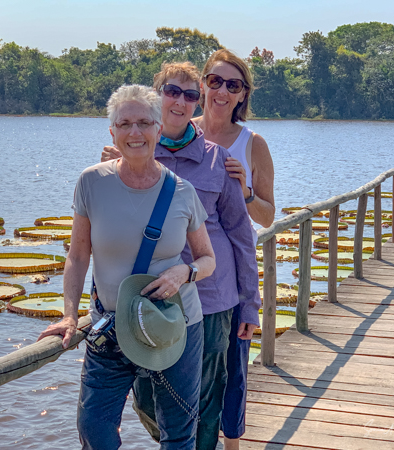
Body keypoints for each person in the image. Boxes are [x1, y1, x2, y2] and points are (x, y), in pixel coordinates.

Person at [38, 84, 216, 450]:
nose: (135, 132)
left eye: (144, 123)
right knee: (94, 429)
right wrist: (69, 316)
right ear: (112, 132)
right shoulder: (91, 182)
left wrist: (184, 272)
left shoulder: (182, 191)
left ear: (158, 129)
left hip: (173, 326)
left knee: (179, 434)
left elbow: (207, 259)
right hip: (111, 327)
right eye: (125, 124)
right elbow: (77, 256)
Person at [101, 62, 260, 449]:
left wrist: (250, 304)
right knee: (147, 399)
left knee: (205, 403)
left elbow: (242, 236)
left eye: (190, 95)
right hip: (149, 298)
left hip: (211, 301)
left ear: (198, 101)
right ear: (157, 97)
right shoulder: (128, 153)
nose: (180, 101)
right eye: (172, 91)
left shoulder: (218, 160)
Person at [194, 49, 275, 450]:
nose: (222, 92)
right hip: (183, 275)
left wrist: (244, 192)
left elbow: (268, 215)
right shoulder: (178, 131)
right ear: (202, 85)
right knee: (179, 377)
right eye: (215, 81)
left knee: (232, 374)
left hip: (233, 277)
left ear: (243, 94)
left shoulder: (252, 143)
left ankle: (232, 446)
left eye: (233, 85)